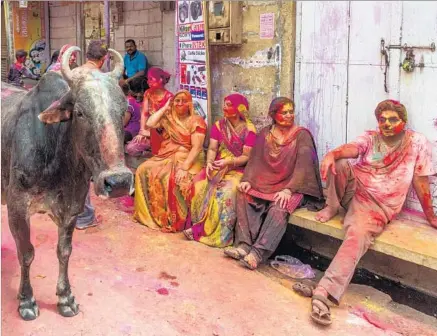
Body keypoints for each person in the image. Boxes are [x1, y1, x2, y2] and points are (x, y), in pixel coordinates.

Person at [293, 99, 437, 326]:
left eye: (393, 120)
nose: (387, 124)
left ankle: (324, 290)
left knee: (356, 236)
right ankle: (332, 205)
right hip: (354, 189)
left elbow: (421, 181)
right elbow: (353, 148)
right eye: (383, 120)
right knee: (339, 163)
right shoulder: (371, 137)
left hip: (377, 205)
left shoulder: (417, 143)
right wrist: (333, 153)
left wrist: (430, 215)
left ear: (404, 122)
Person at [223, 97, 324, 269]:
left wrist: (289, 190)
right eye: (284, 112)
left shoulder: (302, 135)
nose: (289, 115)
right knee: (244, 194)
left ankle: (257, 253)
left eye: (291, 111)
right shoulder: (265, 133)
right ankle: (244, 245)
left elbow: (304, 166)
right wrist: (248, 180)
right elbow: (255, 161)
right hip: (267, 183)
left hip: (293, 186)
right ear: (274, 115)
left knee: (279, 207)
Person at [183, 93, 257, 247]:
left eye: (229, 105)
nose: (224, 107)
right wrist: (210, 162)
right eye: (224, 104)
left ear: (239, 109)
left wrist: (229, 161)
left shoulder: (250, 130)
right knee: (198, 185)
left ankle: (215, 234)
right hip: (217, 165)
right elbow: (212, 148)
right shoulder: (219, 125)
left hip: (239, 169)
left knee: (225, 193)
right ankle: (197, 226)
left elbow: (246, 157)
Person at [133, 90, 207, 233]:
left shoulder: (196, 120)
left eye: (183, 101)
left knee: (170, 178)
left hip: (189, 158)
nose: (180, 104)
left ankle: (172, 219)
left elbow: (197, 148)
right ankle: (148, 215)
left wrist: (184, 168)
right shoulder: (168, 118)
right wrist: (165, 107)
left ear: (189, 104)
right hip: (167, 155)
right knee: (143, 169)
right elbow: (150, 123)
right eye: (177, 100)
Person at [126, 67, 173, 157]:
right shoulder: (148, 93)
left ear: (160, 80)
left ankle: (155, 153)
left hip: (163, 134)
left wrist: (149, 133)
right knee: (131, 148)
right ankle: (152, 151)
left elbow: (167, 125)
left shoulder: (169, 98)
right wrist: (142, 131)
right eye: (148, 79)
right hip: (149, 131)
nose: (148, 82)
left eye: (151, 79)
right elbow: (144, 113)